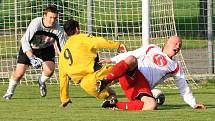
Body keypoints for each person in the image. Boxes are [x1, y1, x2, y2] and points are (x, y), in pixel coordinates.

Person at [97, 36, 206, 110]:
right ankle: (106, 81)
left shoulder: (175, 66)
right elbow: (133, 53)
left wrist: (193, 103)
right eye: (176, 43)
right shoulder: (152, 48)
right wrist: (111, 60)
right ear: (167, 42)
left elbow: (183, 86)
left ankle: (114, 104)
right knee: (132, 58)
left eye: (180, 45)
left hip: (141, 88)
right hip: (133, 74)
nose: (178, 46)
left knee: (151, 105)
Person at [3, 5, 66, 100]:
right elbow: (25, 41)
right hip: (30, 48)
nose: (53, 20)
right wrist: (31, 58)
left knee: (49, 71)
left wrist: (66, 62)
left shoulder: (58, 30)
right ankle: (9, 92)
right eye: (50, 17)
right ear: (44, 16)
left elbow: (62, 49)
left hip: (46, 49)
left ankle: (41, 81)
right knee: (19, 73)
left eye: (55, 18)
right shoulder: (36, 23)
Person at [59, 19, 127, 107]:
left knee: (110, 95)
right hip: (97, 75)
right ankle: (145, 93)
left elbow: (63, 78)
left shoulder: (63, 53)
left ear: (66, 33)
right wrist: (117, 45)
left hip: (87, 86)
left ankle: (111, 100)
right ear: (77, 29)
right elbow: (98, 41)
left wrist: (64, 98)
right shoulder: (82, 38)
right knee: (126, 69)